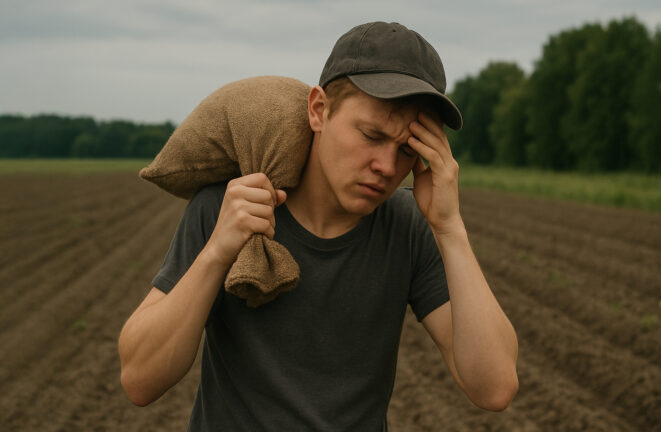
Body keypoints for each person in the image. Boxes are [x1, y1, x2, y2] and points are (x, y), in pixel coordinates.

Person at [118, 21, 518, 431]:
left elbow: (494, 388)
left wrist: (449, 228)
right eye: (371, 135)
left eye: (405, 150)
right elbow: (140, 381)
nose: (385, 167)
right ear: (319, 110)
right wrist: (218, 251)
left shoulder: (408, 227)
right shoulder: (228, 208)